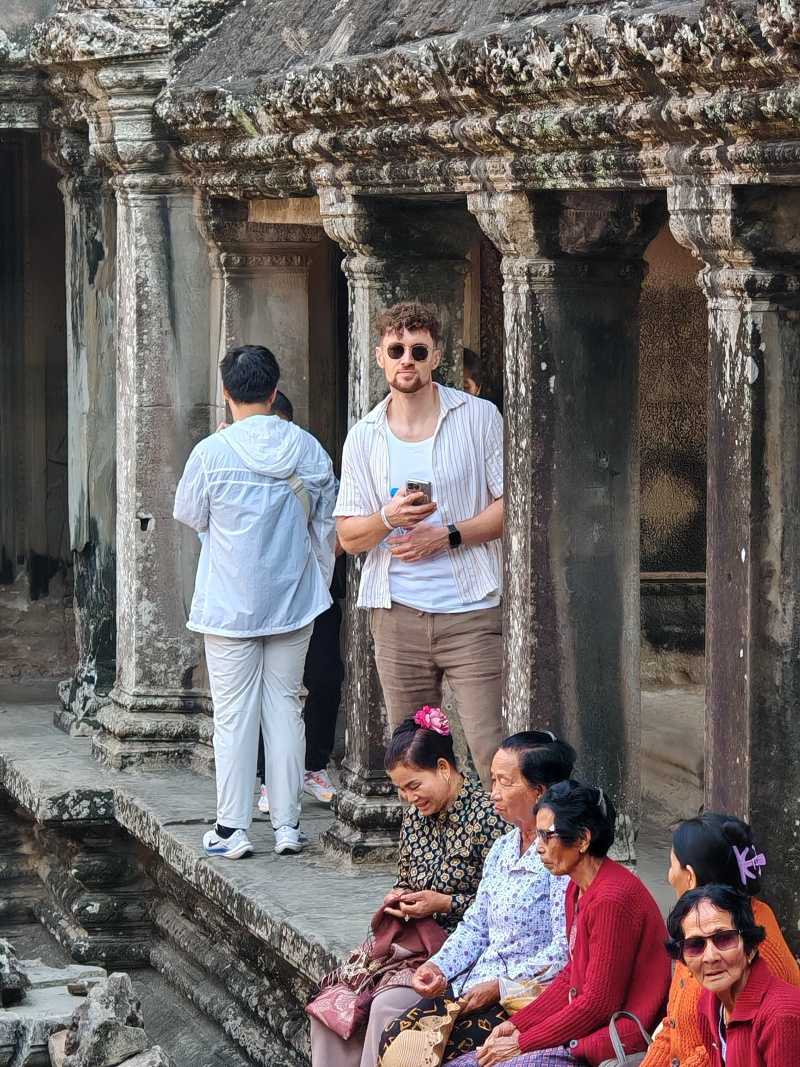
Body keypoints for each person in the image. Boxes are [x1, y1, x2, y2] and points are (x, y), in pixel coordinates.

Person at [174, 345, 337, 858]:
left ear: (227, 394)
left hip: (229, 604)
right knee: (287, 708)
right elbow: (326, 523)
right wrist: (318, 582)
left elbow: (189, 514)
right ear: (273, 391)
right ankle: (287, 826)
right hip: (293, 599)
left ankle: (233, 828)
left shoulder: (211, 453)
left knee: (234, 715)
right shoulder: (307, 449)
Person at [335, 301, 504, 787]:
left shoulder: (478, 417)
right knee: (413, 754)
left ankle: (510, 859)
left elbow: (511, 507)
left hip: (469, 608)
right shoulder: (364, 436)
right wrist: (388, 517)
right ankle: (432, 859)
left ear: (436, 356)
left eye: (417, 349)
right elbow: (347, 535)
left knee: (489, 745)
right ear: (380, 357)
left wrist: (448, 536)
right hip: (398, 611)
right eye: (396, 349)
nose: (406, 359)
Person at [310, 708, 505, 1067]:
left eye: (413, 785)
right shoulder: (415, 816)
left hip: (459, 948)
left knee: (385, 1006)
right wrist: (398, 897)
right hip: (409, 940)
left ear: (444, 769)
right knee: (333, 1002)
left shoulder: (489, 818)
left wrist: (443, 903)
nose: (408, 797)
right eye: (400, 789)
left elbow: (500, 907)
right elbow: (407, 875)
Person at [378, 732, 574, 1063]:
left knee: (433, 1054)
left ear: (539, 792)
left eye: (504, 783)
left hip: (522, 998)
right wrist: (437, 966)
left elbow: (563, 949)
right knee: (396, 1039)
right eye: (492, 780)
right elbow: (475, 926)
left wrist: (502, 985)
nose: (493, 793)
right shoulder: (502, 849)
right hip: (476, 984)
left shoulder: (560, 859)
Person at [449, 780, 671, 1067]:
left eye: (547, 836)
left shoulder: (611, 898)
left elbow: (598, 1005)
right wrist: (518, 1025)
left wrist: (521, 1043)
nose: (539, 848)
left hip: (614, 1038)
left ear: (582, 839)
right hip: (587, 1027)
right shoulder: (575, 887)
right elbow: (571, 975)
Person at [643, 813, 800, 1067]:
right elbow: (673, 1030)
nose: (710, 955)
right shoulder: (698, 934)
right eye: (695, 945)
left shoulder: (778, 1008)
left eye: (672, 864)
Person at [256, 389, 344, 810]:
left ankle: (313, 766)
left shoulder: (311, 462)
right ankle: (266, 776)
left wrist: (321, 550)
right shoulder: (232, 460)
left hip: (313, 592)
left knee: (325, 676)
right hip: (261, 597)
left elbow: (340, 525)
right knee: (264, 686)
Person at [666, 884, 800, 1065]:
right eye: (695, 945)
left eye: (724, 938)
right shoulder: (709, 1002)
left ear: (750, 947)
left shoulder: (782, 1015)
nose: (710, 957)